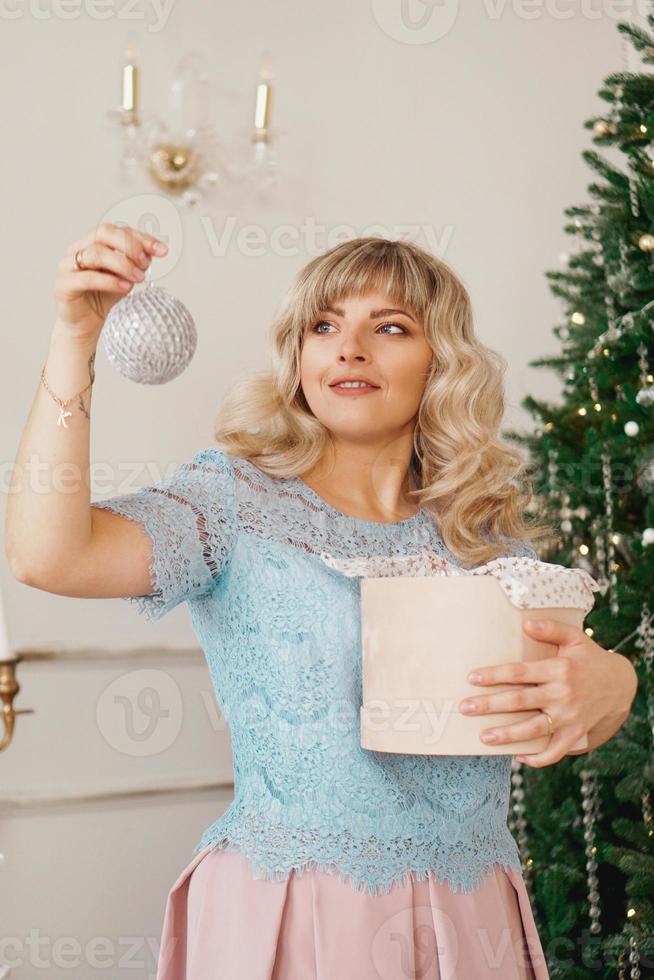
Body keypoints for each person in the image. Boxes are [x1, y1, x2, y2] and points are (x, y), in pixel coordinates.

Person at [6, 226, 638, 979]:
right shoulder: (230, 501)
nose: (350, 348)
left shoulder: (489, 535)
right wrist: (76, 336)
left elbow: (562, 699)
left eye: (391, 328)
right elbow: (49, 557)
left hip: (474, 917)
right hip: (289, 912)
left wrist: (617, 682)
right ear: (298, 356)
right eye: (325, 325)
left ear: (443, 362)